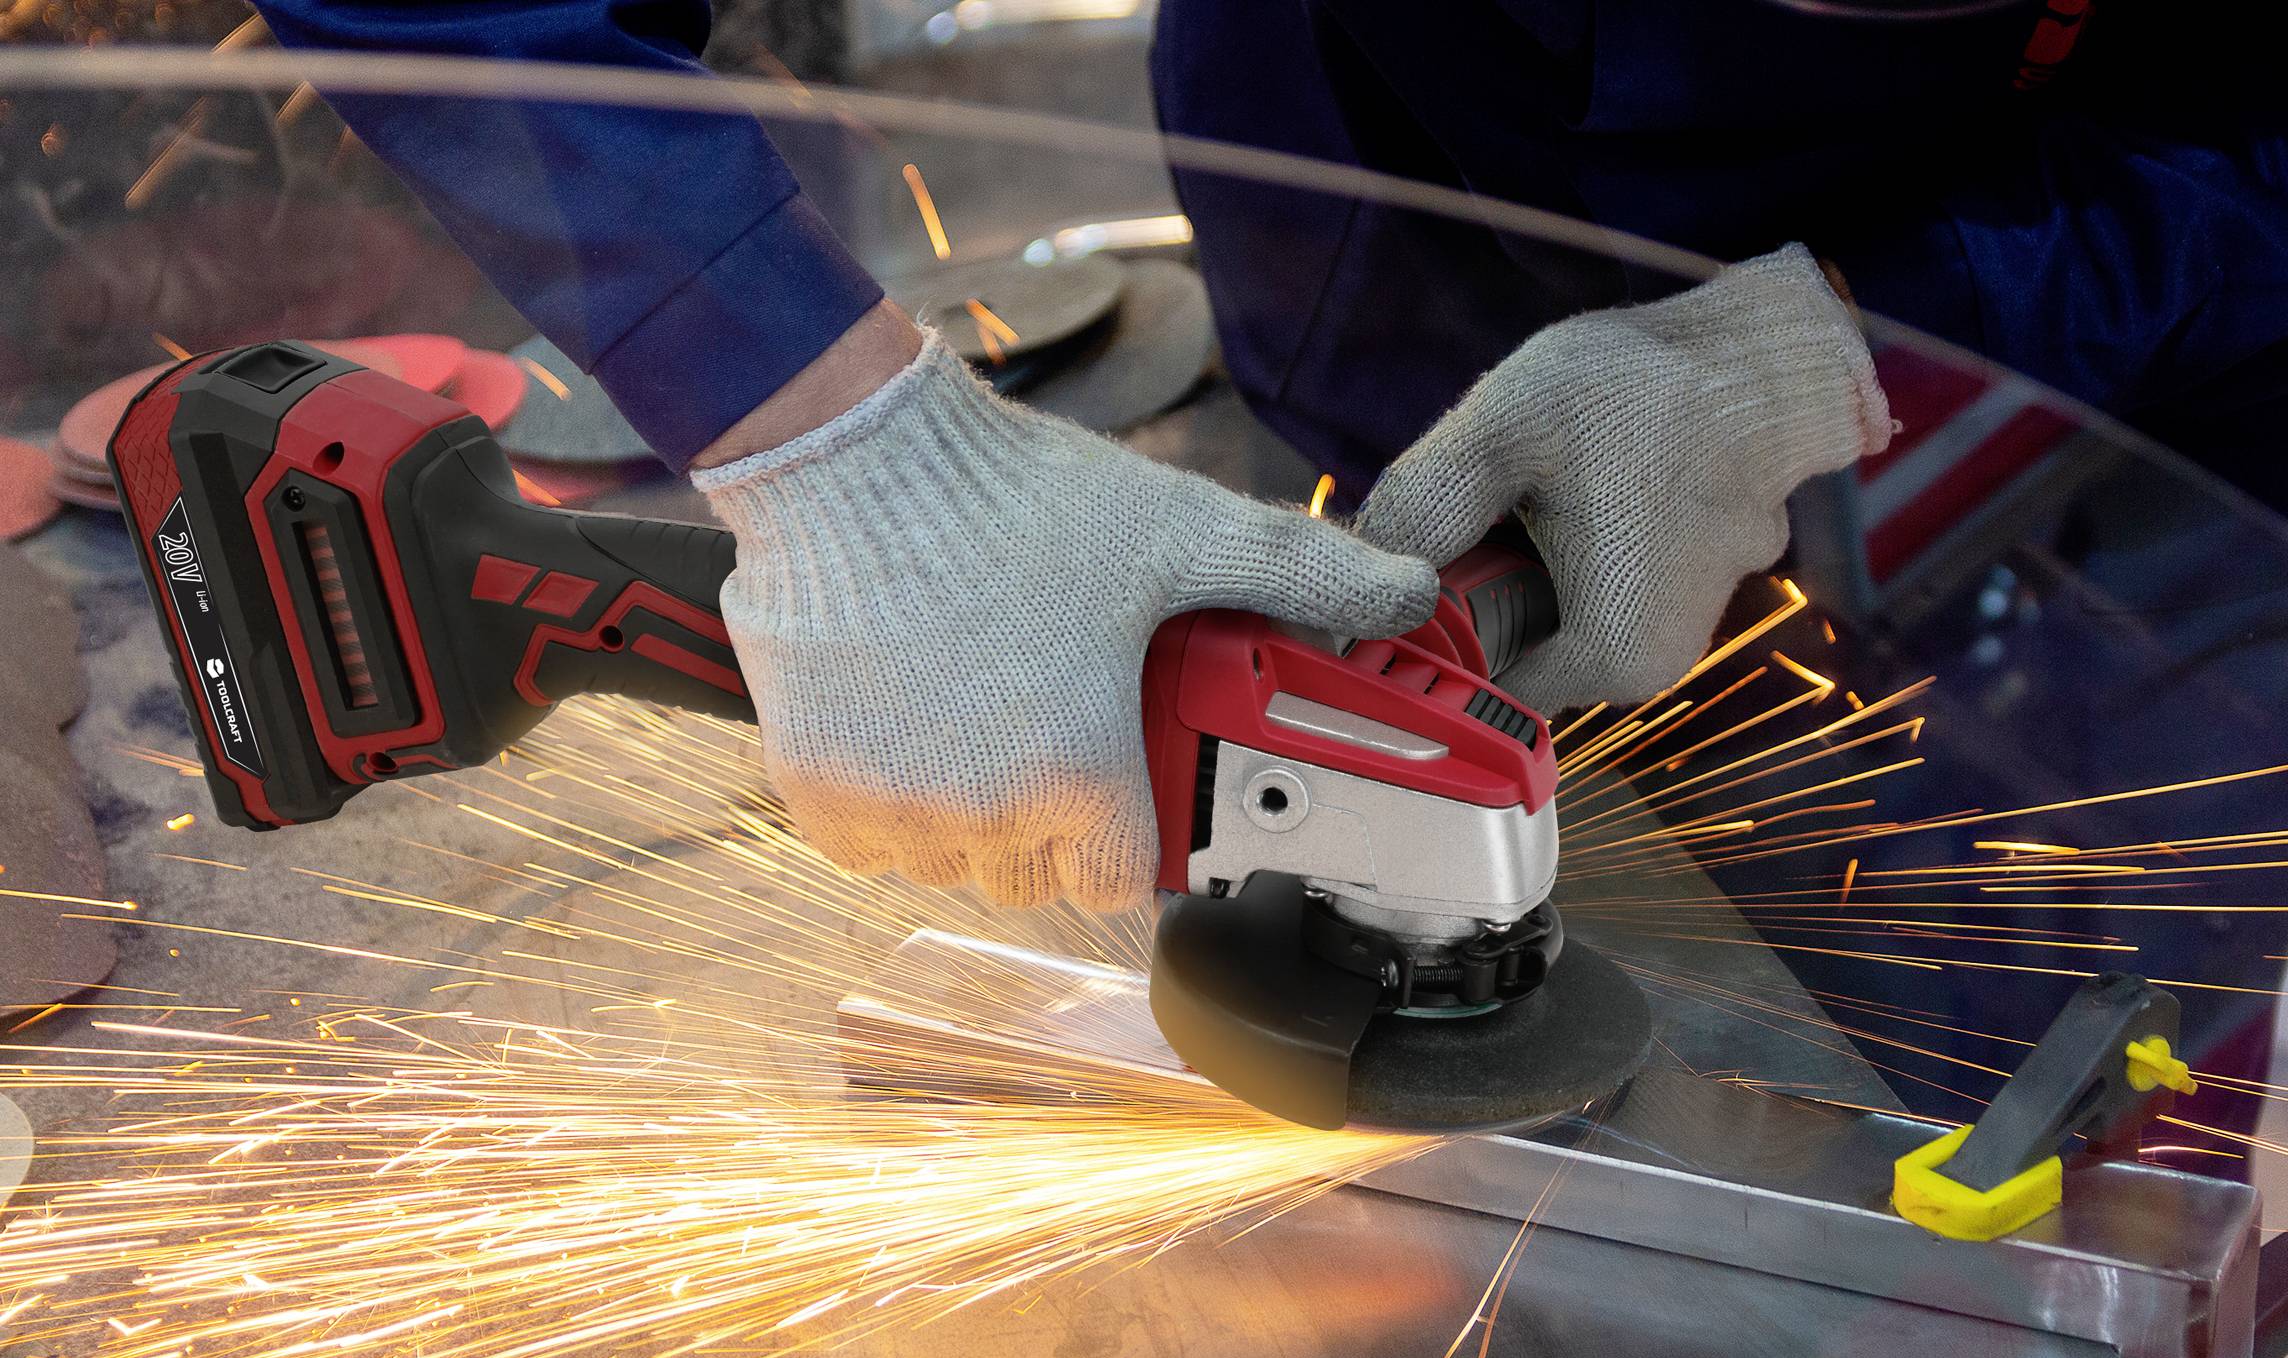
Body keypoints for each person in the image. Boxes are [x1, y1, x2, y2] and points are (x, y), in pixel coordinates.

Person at [241, 0, 1890, 914]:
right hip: (1364, 263)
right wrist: (824, 433)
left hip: (1989, 424)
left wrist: (1833, 337)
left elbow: (2165, 179)